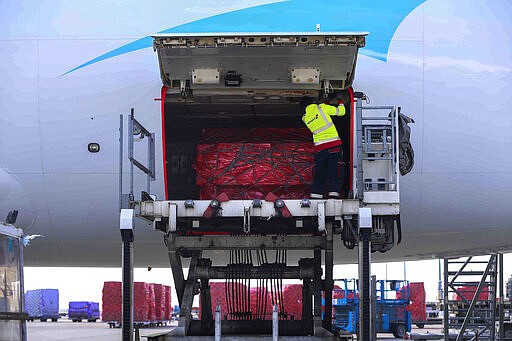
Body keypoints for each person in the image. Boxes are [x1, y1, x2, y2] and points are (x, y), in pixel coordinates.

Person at [300, 96, 346, 199]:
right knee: (334, 169)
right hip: (333, 144)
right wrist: (341, 101)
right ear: (312, 102)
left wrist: (326, 103)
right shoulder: (322, 107)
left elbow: (318, 118)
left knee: (320, 171)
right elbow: (341, 112)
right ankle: (334, 193)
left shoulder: (305, 118)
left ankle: (316, 194)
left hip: (319, 148)